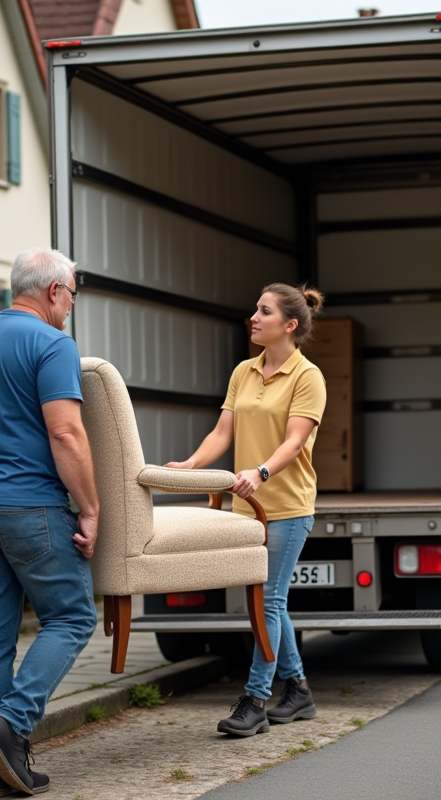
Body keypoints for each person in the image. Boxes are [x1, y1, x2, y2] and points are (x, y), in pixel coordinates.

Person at [0, 248, 100, 797]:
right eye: (72, 295)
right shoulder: (53, 344)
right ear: (55, 290)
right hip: (27, 507)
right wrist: (90, 508)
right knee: (73, 616)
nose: (71, 306)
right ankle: (10, 723)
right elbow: (66, 433)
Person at [165, 283, 327, 737]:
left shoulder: (307, 376)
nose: (253, 317)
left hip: (287, 506)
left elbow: (294, 441)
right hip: (246, 509)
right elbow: (223, 432)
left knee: (268, 600)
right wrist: (191, 465)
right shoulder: (244, 371)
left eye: (264, 311)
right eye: (256, 309)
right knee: (271, 600)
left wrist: (260, 472)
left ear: (289, 325)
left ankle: (255, 700)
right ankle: (298, 689)